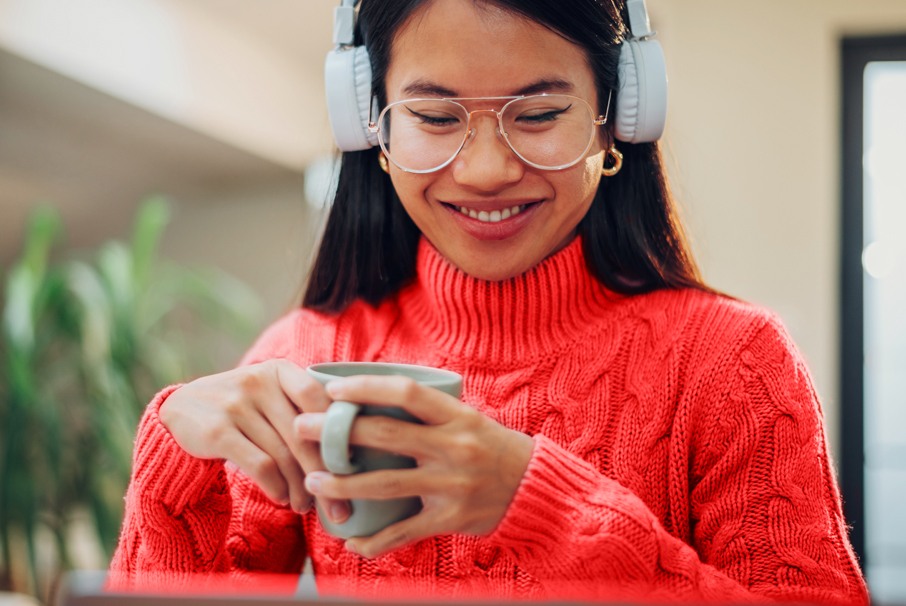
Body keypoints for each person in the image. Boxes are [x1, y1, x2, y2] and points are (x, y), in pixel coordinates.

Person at [109, 0, 869, 603]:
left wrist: (535, 502)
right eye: (436, 118)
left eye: (537, 115)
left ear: (618, 118)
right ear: (370, 125)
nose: (482, 170)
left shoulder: (733, 363)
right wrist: (177, 463)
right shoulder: (304, 356)